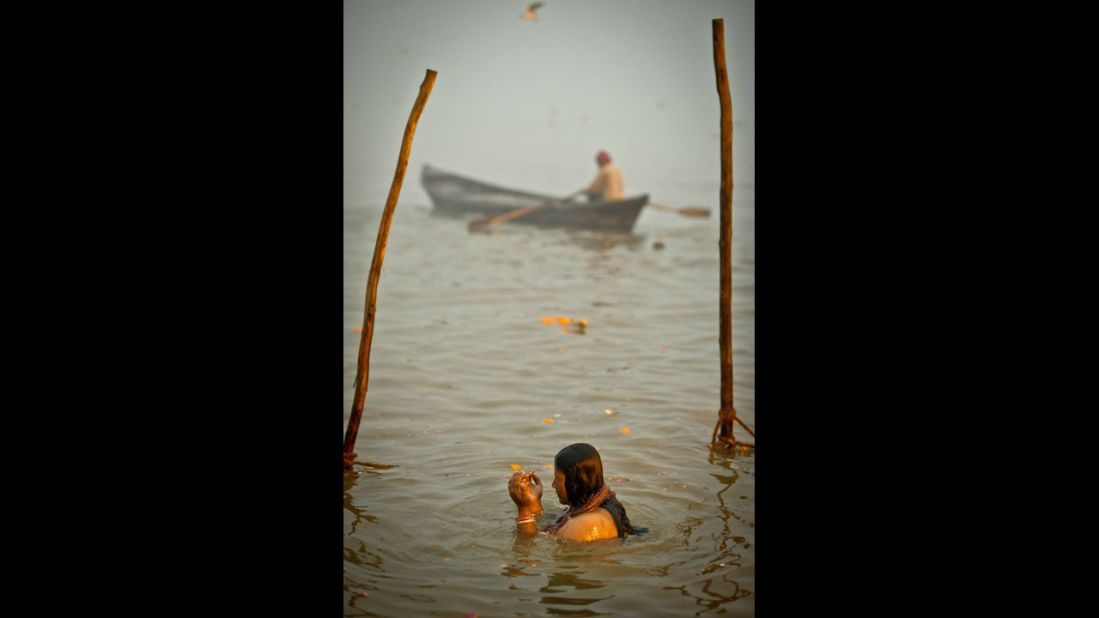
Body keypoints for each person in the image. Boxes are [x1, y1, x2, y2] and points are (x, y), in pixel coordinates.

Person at [508, 442, 641, 540]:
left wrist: (524, 509)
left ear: (575, 483)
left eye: (558, 479)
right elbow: (545, 528)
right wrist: (533, 503)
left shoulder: (584, 524)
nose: (553, 485)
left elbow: (530, 545)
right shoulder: (602, 500)